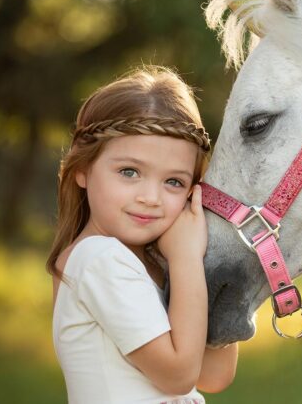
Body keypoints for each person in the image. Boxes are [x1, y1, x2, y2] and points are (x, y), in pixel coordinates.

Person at [47, 66, 237, 403]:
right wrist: (186, 258)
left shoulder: (154, 262)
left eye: (173, 182)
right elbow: (178, 376)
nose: (150, 197)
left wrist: (204, 262)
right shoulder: (99, 260)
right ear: (82, 170)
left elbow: (213, 374)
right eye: (129, 172)